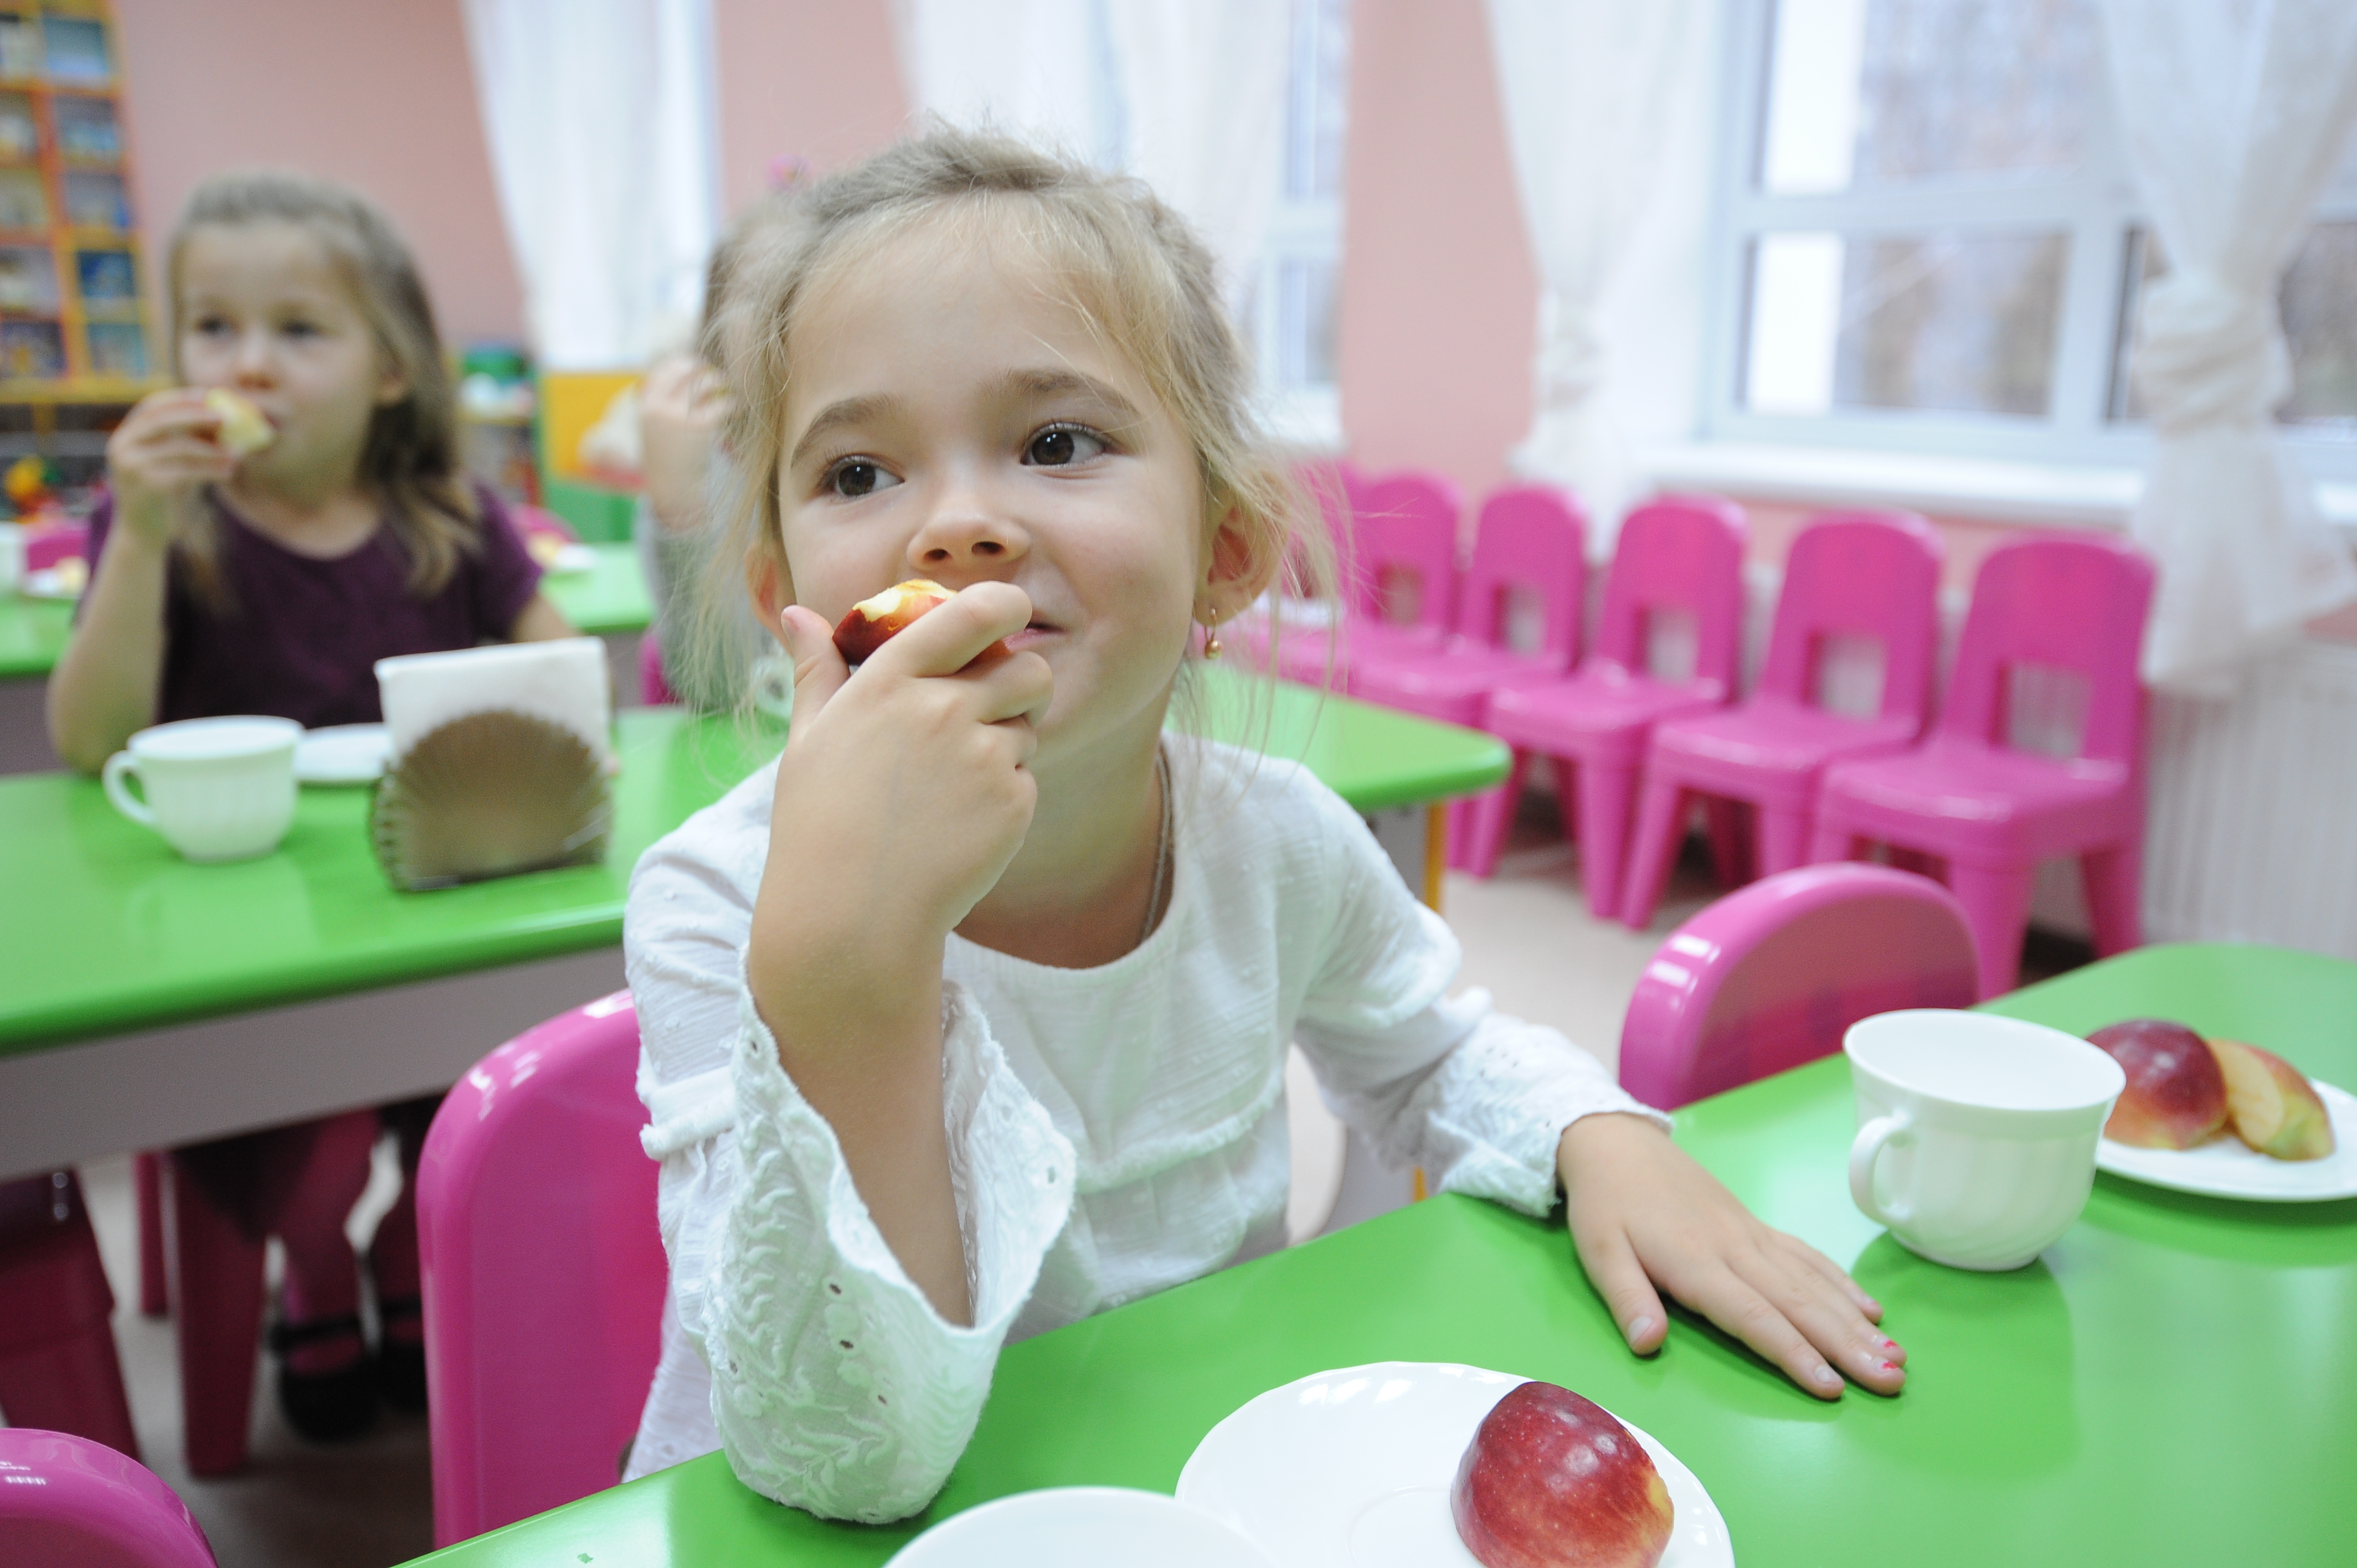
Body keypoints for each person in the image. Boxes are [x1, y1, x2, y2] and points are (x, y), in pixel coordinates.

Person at [622, 130, 1905, 1519]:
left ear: (1226, 556)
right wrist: (844, 967)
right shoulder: (722, 897)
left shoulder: (1273, 836)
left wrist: (1599, 1135)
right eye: (860, 474)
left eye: (1056, 443)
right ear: (782, 597)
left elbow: (1435, 1054)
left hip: (1193, 1493)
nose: (960, 527)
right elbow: (847, 1462)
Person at [47, 171, 576, 1438]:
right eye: (215, 328)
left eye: (299, 329)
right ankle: (325, 1264)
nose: (250, 362)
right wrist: (138, 538)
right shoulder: (168, 523)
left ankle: (407, 1238)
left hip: (439, 901)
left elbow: (559, 680)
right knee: (324, 1135)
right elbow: (86, 744)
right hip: (246, 939)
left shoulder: (450, 515)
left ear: (390, 370)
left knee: (500, 1097)